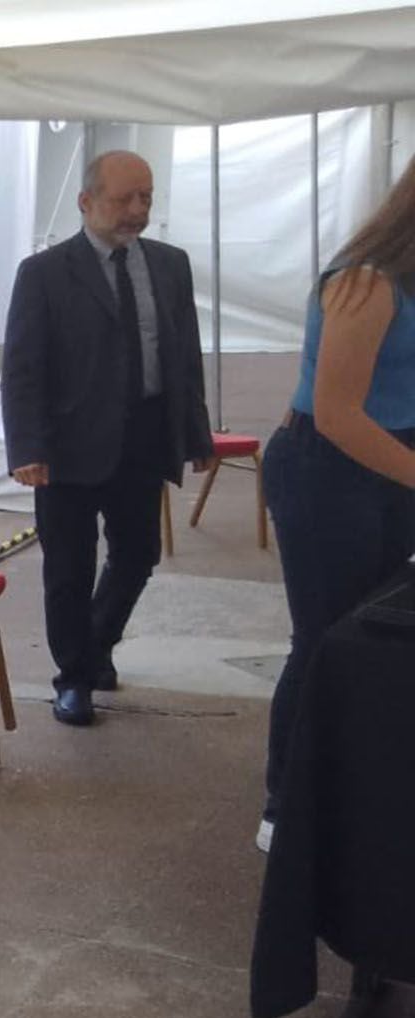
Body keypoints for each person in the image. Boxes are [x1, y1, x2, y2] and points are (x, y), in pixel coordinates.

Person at [1, 149, 214, 728]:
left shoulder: (170, 266)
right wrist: (27, 449)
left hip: (144, 435)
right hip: (68, 444)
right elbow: (22, 369)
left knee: (139, 553)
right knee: (69, 567)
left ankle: (95, 647)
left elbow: (183, 357)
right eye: (124, 199)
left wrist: (195, 431)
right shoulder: (43, 273)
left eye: (145, 197)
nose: (137, 210)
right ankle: (74, 679)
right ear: (86, 201)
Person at [257, 162, 415, 853]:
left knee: (381, 637)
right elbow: (336, 413)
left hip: (391, 466)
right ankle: (284, 804)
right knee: (324, 639)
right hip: (327, 471)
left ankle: (358, 789)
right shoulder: (364, 280)